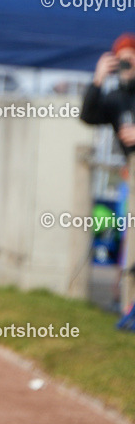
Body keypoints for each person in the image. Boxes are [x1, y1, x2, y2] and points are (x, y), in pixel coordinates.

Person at [79, 33, 135, 312]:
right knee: (130, 238)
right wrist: (98, 78)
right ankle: (126, 302)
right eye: (121, 62)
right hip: (132, 178)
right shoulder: (116, 98)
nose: (126, 68)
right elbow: (88, 115)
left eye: (131, 61)